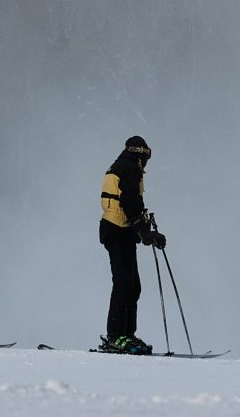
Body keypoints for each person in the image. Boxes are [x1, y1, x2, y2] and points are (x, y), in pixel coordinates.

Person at [98, 134, 166, 354]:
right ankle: (117, 336)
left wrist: (145, 231)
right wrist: (146, 233)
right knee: (124, 283)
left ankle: (126, 335)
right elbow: (130, 203)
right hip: (118, 230)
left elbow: (130, 205)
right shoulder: (130, 168)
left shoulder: (120, 165)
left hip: (118, 230)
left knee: (131, 284)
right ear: (141, 154)